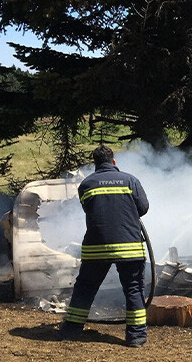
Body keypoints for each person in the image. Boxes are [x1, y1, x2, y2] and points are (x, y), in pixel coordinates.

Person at [58, 146, 150, 347]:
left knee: (85, 287)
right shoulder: (130, 180)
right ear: (114, 161)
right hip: (129, 247)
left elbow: (90, 208)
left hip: (96, 247)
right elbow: (143, 208)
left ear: (95, 164)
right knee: (133, 289)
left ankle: (72, 330)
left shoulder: (86, 184)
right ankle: (136, 337)